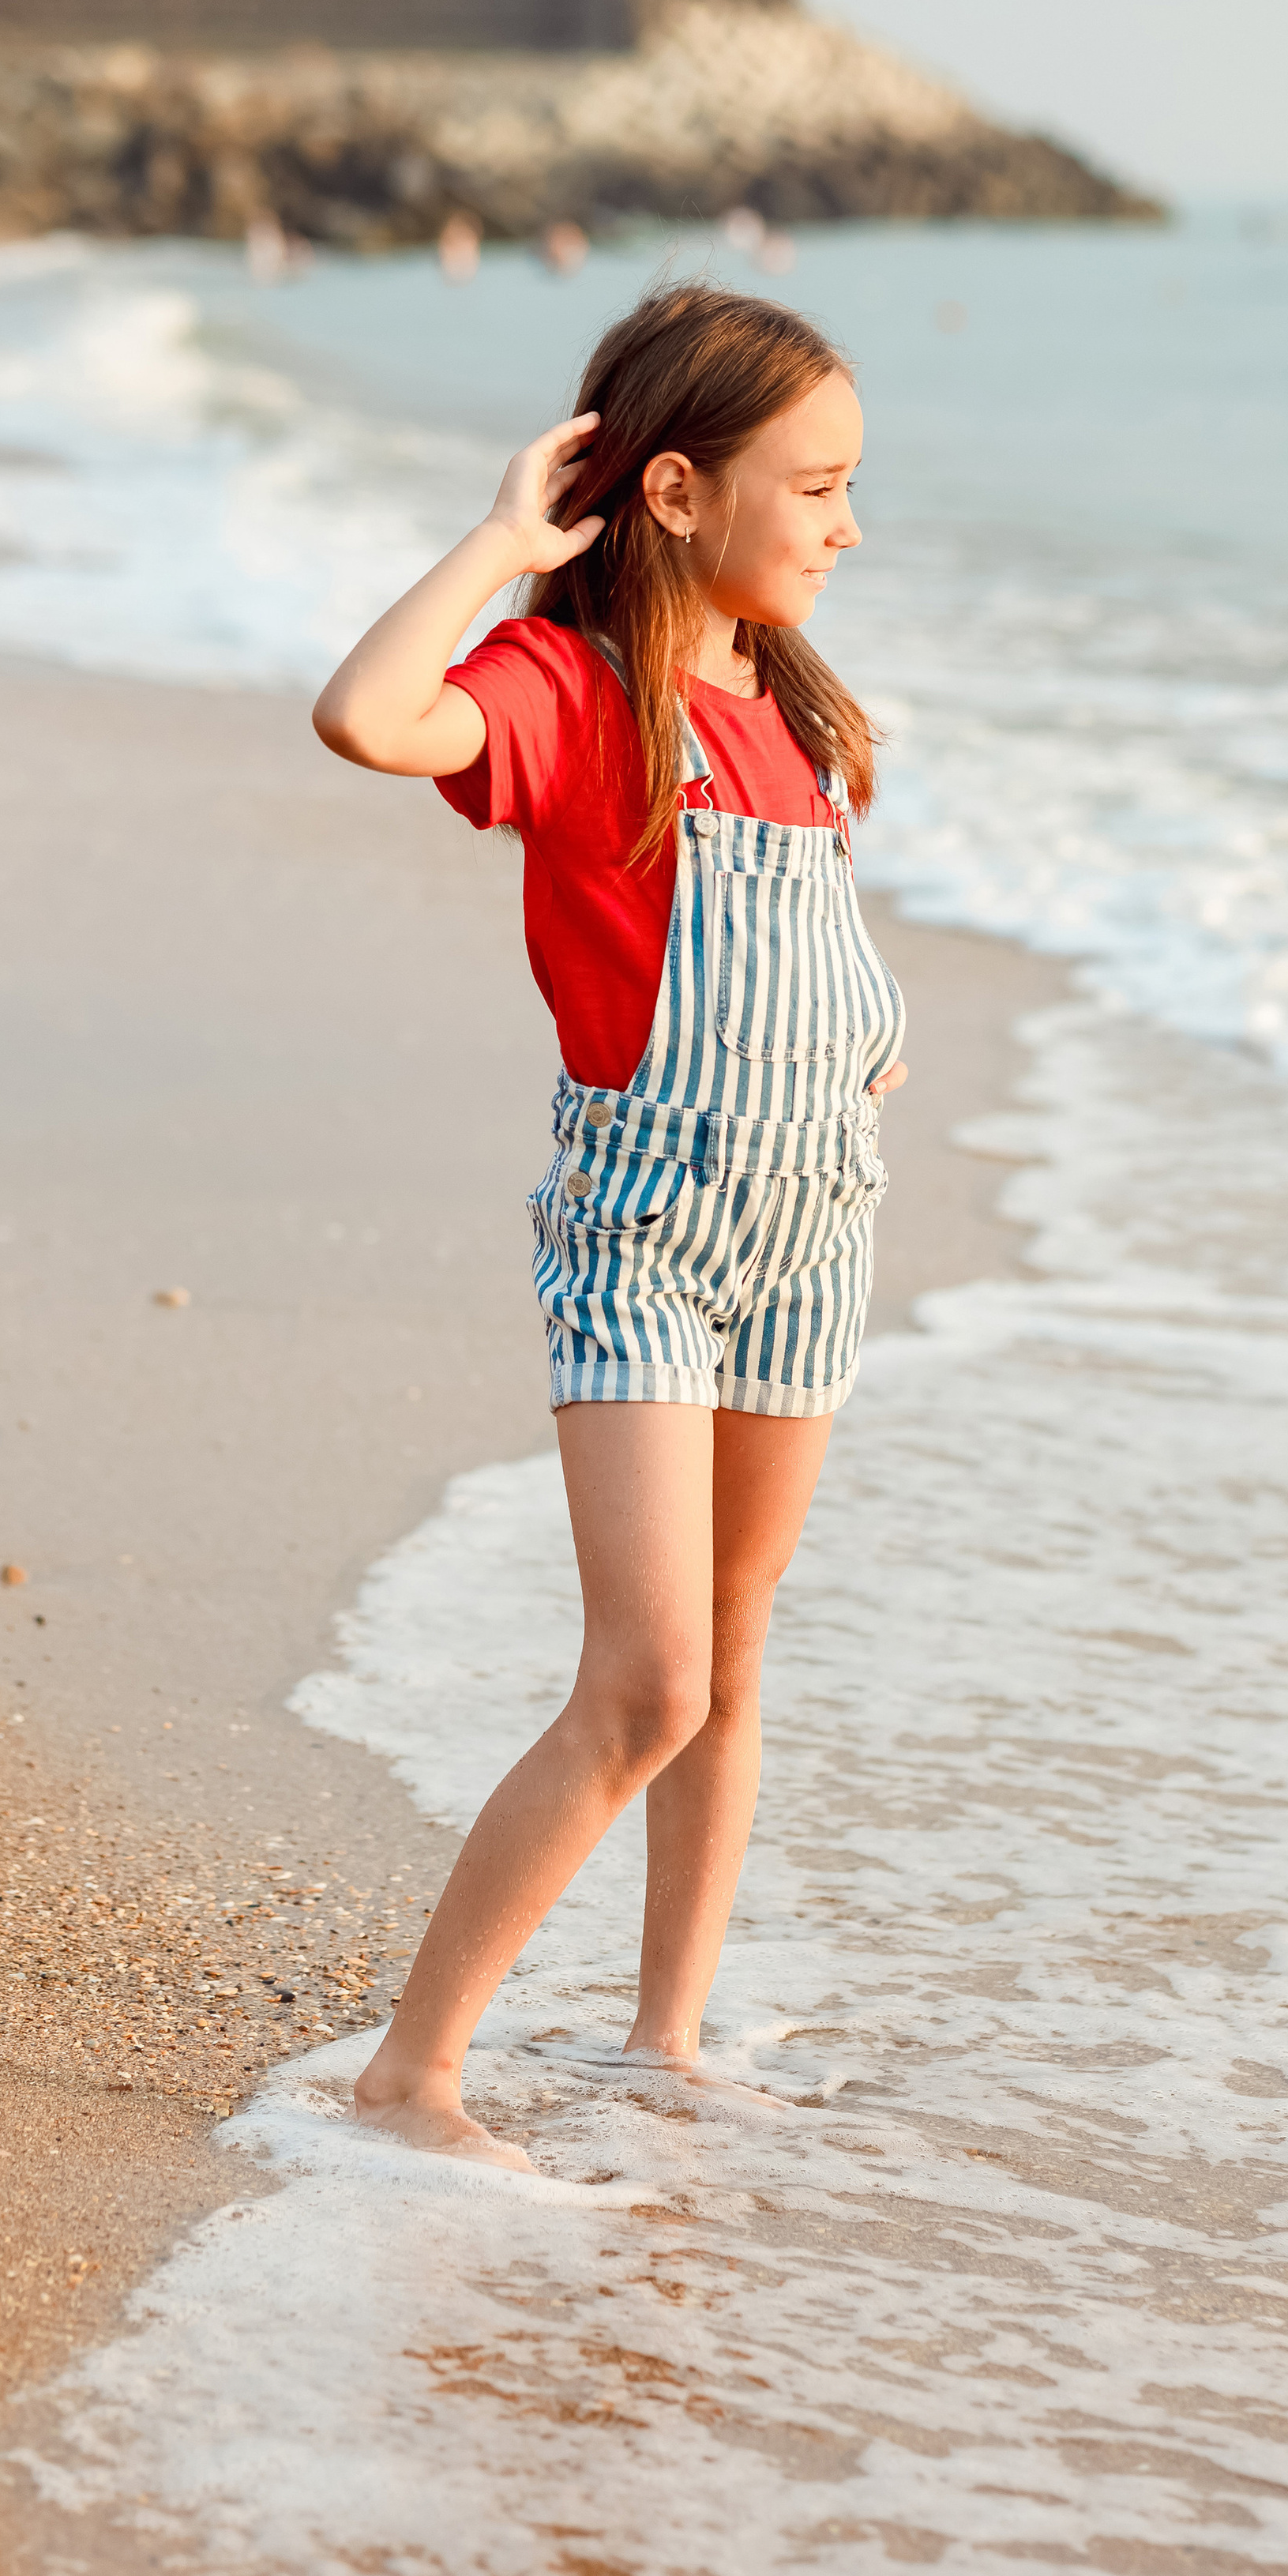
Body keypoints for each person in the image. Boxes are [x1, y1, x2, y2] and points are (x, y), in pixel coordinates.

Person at [311, 284, 907, 2171]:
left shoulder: (791, 706)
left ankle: (667, 2037)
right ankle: (411, 2074)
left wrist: (863, 1046)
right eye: (813, 486)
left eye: (849, 487)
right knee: (645, 1679)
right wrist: (505, 539)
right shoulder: (568, 695)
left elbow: (799, 947)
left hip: (810, 1225)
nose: (845, 525)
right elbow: (365, 716)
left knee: (730, 1653)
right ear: (670, 489)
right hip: (645, 1232)